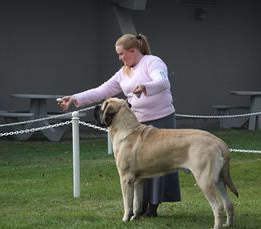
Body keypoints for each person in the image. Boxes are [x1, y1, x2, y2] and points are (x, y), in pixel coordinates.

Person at [58, 33, 181, 217]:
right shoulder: (123, 72)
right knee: (139, 165)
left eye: (121, 54)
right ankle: (140, 206)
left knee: (158, 161)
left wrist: (146, 87)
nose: (120, 58)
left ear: (133, 51)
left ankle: (153, 207)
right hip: (136, 125)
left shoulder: (153, 62)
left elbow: (162, 82)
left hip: (161, 120)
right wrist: (75, 98)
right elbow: (102, 90)